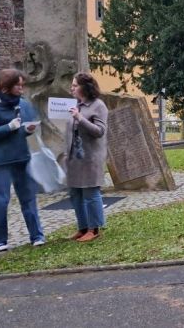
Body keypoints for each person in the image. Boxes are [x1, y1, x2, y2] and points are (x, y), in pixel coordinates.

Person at [0, 68, 45, 251]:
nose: (21, 89)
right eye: (18, 86)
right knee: (0, 202)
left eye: (22, 85)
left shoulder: (23, 104)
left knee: (28, 199)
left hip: (21, 158)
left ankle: (37, 236)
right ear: (5, 88)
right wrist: (8, 127)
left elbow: (25, 126)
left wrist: (28, 129)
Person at [64, 72, 109, 242]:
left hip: (91, 157)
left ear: (85, 87)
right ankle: (82, 228)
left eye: (75, 85)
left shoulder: (98, 106)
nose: (72, 88)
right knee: (75, 194)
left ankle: (94, 228)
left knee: (90, 193)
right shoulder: (76, 105)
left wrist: (80, 118)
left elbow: (99, 131)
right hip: (74, 157)